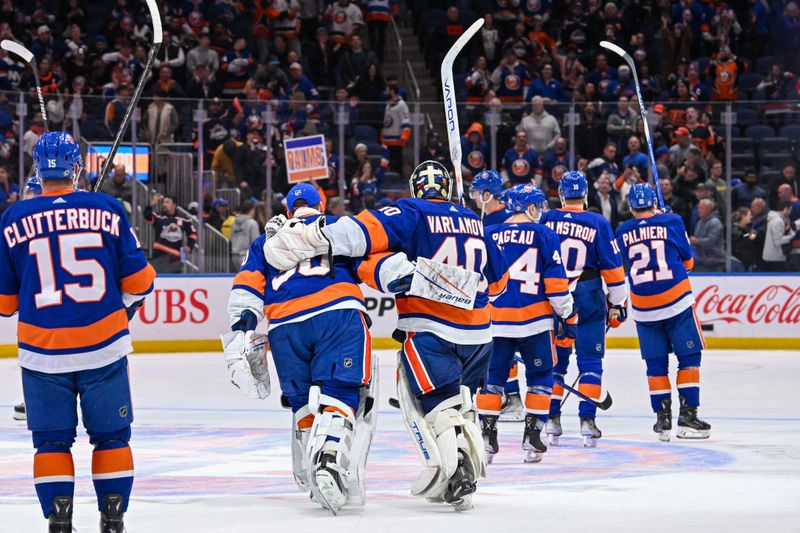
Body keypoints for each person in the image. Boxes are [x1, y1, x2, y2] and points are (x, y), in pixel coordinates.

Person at [263, 160, 509, 510]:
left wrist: (313, 236)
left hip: (432, 329)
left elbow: (361, 234)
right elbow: (498, 286)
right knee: (458, 400)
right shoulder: (475, 221)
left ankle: (458, 467)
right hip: (481, 334)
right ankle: (462, 461)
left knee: (436, 403)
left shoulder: (410, 211)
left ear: (416, 188)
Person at [224, 183, 414, 513]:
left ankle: (311, 468)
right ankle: (327, 459)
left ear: (287, 211)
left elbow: (246, 288)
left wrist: (243, 330)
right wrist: (409, 273)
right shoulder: (335, 230)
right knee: (342, 392)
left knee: (301, 403)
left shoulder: (264, 242)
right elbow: (371, 268)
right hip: (336, 314)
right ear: (322, 205)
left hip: (284, 326)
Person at [0, 131, 156, 532]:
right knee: (111, 439)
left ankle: (59, 519)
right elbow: (140, 283)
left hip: (41, 351)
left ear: (37, 170)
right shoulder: (107, 207)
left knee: (51, 442)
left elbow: (4, 305)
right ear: (77, 169)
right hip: (102, 347)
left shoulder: (13, 218)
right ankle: (113, 517)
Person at [478, 184, 575, 464]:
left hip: (494, 322)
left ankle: (486, 440)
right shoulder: (545, 234)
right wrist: (568, 313)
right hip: (535, 322)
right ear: (530, 207)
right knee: (541, 377)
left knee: (491, 380)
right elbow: (557, 287)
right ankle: (533, 437)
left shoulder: (488, 234)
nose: (542, 211)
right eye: (539, 206)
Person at [616, 183, 711, 442]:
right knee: (689, 357)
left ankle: (662, 419)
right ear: (654, 202)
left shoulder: (622, 229)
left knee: (655, 365)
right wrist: (666, 220)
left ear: (632, 206)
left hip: (644, 308)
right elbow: (689, 263)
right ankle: (688, 417)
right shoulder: (672, 220)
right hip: (676, 302)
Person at [540, 171, 628, 448]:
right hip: (588, 295)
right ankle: (587, 422)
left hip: (554, 297)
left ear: (561, 195)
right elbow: (613, 271)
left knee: (556, 362)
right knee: (591, 361)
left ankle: (551, 419)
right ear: (586, 195)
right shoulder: (598, 222)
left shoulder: (547, 219)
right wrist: (618, 304)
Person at [143, 193, 197, 274]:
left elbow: (192, 233)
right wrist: (150, 206)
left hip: (175, 258)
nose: (164, 204)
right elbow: (147, 218)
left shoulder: (184, 218)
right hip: (159, 257)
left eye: (167, 202)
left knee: (175, 281)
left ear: (174, 205)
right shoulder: (158, 216)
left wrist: (189, 246)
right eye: (163, 202)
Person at [690, 198, 725, 271]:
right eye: (698, 208)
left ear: (708, 209)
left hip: (715, 262)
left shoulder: (715, 222)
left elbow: (710, 241)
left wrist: (696, 241)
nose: (698, 210)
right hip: (702, 260)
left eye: (701, 208)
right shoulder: (700, 222)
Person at [761, 201, 794, 271]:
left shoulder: (781, 219)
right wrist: (792, 236)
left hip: (774, 256)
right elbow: (778, 241)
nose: (791, 212)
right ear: (785, 209)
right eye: (790, 209)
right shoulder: (778, 221)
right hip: (775, 257)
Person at [230, 201, 261, 270]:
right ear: (251, 210)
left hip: (234, 255)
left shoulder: (233, 223)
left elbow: (231, 238)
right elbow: (256, 242)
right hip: (246, 256)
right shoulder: (252, 223)